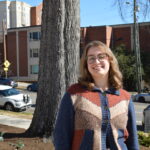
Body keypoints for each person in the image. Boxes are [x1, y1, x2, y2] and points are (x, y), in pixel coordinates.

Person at [53, 41, 139, 150]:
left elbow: (133, 140)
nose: (96, 61)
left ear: (110, 60)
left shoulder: (125, 98)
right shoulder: (74, 94)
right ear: (86, 64)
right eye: (91, 58)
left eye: (101, 56)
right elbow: (61, 136)